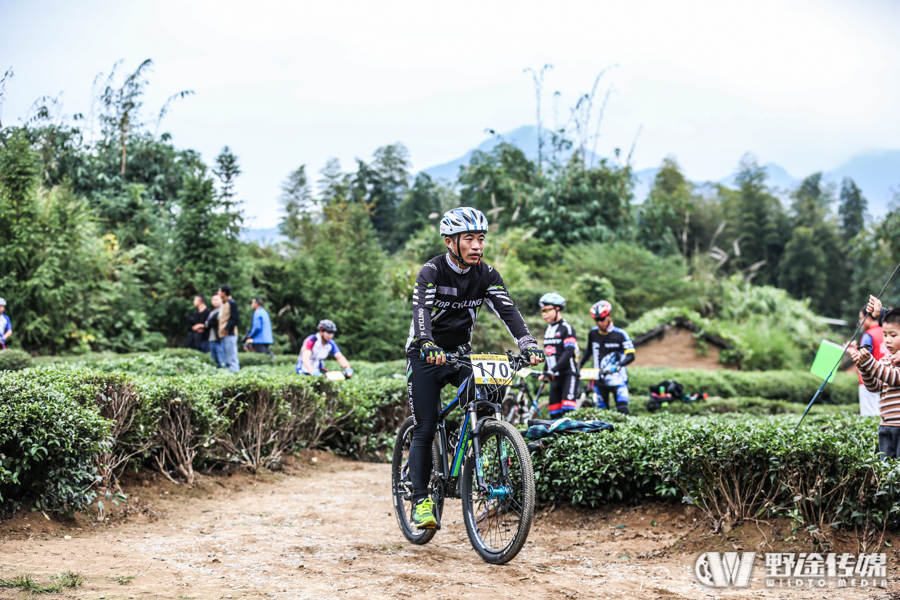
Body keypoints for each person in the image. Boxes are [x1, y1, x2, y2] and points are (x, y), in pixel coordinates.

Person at [405, 207, 544, 529]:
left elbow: (508, 311)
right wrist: (427, 343)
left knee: (489, 395)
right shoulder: (432, 271)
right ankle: (420, 499)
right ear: (450, 241)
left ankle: (473, 441)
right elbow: (422, 310)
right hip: (424, 355)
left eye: (481, 238)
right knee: (425, 427)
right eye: (469, 238)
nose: (477, 245)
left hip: (461, 355)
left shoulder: (487, 275)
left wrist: (528, 343)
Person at [849, 309, 900, 460]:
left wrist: (870, 363)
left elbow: (893, 377)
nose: (887, 340)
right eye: (885, 334)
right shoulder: (885, 360)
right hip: (885, 425)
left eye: (893, 335)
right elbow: (874, 387)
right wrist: (863, 368)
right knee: (886, 470)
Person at [579, 300, 635, 415]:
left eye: (602, 319)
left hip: (618, 379)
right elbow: (589, 351)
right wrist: (579, 365)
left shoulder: (620, 334)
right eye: (597, 320)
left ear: (609, 316)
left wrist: (619, 365)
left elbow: (631, 356)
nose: (600, 323)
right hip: (600, 379)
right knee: (602, 414)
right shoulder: (593, 333)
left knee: (622, 411)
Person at [537, 292, 579, 418]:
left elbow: (568, 352)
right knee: (554, 414)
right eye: (542, 311)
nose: (544, 314)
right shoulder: (547, 329)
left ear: (558, 309)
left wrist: (552, 370)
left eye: (548, 310)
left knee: (568, 411)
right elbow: (549, 354)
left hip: (568, 375)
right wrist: (545, 372)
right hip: (555, 377)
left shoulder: (567, 328)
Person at [848, 307, 887, 416]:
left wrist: (851, 351)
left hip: (869, 380)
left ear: (868, 318)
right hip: (886, 378)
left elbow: (864, 359)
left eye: (861, 319)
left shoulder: (868, 335)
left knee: (869, 415)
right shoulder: (886, 332)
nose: (860, 322)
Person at [217, 285, 240, 373]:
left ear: (223, 293)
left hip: (229, 333)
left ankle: (235, 375)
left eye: (219, 292)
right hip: (223, 334)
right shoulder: (224, 303)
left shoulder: (231, 303)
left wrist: (227, 328)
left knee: (232, 358)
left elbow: (235, 319)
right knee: (226, 358)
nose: (218, 294)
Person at [206, 293, 224, 367]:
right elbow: (206, 324)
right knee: (213, 361)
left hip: (220, 338)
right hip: (212, 338)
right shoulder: (212, 313)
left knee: (222, 361)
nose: (215, 301)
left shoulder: (224, 310)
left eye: (217, 299)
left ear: (221, 300)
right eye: (213, 300)